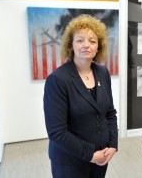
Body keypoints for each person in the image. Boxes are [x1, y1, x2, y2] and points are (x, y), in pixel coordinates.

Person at [43, 14, 118, 178]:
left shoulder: (102, 72)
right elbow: (57, 132)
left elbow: (109, 113)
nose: (87, 45)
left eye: (92, 41)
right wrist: (91, 154)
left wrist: (112, 145)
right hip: (70, 161)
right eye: (80, 40)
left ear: (99, 46)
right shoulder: (57, 80)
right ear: (71, 44)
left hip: (101, 157)